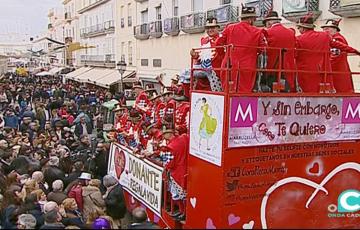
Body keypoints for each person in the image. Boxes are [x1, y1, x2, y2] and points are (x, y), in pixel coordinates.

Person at [216, 6, 266, 92]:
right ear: (251, 19)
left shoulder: (229, 28)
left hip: (229, 64)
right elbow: (263, 49)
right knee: (244, 93)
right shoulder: (257, 31)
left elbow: (218, 43)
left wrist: (224, 55)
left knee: (227, 92)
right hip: (247, 67)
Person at [321, 19, 360, 93]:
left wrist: (324, 66)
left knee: (340, 90)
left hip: (337, 70)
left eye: (327, 28)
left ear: (335, 29)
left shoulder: (337, 39)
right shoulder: (336, 38)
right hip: (339, 70)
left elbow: (334, 57)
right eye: (324, 28)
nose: (325, 30)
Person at [263, 11, 297, 92]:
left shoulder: (268, 32)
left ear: (269, 22)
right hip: (289, 69)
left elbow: (264, 50)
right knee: (286, 92)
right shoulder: (291, 33)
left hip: (273, 68)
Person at [191, 17, 224, 92]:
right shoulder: (204, 40)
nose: (210, 30)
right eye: (208, 28)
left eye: (212, 27)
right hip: (204, 66)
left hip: (217, 68)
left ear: (218, 28)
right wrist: (194, 55)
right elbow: (200, 56)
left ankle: (217, 94)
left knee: (213, 74)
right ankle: (188, 94)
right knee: (187, 72)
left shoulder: (222, 38)